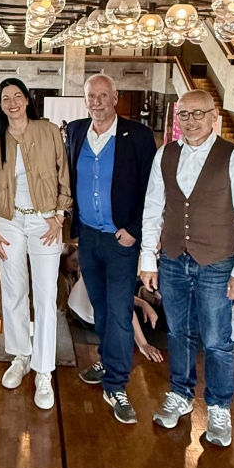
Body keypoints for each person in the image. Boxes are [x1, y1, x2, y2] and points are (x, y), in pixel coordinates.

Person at [140, 89, 234, 447]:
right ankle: (180, 393)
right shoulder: (165, 154)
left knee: (217, 340)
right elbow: (152, 209)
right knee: (178, 333)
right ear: (177, 119)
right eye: (184, 115)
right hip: (174, 259)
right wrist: (149, 259)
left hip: (218, 262)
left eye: (198, 114)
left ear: (214, 116)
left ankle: (219, 407)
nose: (191, 121)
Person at [65, 74, 156, 424]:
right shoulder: (75, 131)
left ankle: (116, 384)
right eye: (92, 96)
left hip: (121, 240)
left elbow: (151, 187)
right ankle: (107, 358)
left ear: (115, 97)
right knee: (100, 305)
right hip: (88, 237)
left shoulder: (138, 136)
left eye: (104, 95)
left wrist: (133, 230)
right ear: (85, 99)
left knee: (119, 310)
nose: (98, 101)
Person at [0, 79, 72, 410]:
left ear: (28, 100)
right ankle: (20, 355)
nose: (13, 102)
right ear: (0, 105)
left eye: (18, 96)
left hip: (45, 221)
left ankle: (43, 370)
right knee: (14, 292)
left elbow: (64, 174)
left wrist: (60, 214)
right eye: (6, 98)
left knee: (46, 297)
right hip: (9, 223)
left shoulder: (47, 132)